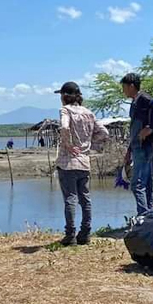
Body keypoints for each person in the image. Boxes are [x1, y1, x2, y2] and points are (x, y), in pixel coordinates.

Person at [54, 82, 109, 246]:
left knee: (70, 199)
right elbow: (104, 132)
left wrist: (68, 144)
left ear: (65, 96)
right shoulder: (89, 113)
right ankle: (85, 233)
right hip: (84, 162)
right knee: (85, 199)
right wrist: (89, 143)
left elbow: (64, 127)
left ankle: (70, 235)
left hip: (68, 162)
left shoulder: (66, 110)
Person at [121, 73, 153, 216]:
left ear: (132, 86)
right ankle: (149, 215)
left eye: (124, 87)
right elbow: (134, 128)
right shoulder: (135, 102)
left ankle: (143, 216)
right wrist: (129, 151)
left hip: (144, 146)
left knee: (137, 184)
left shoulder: (143, 98)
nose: (123, 90)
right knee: (147, 183)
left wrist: (150, 128)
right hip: (137, 146)